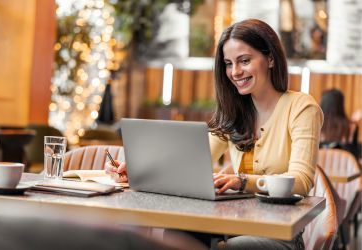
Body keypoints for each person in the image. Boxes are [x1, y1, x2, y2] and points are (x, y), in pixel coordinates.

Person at [106, 19, 323, 250]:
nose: (235, 72)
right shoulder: (235, 112)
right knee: (179, 233)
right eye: (229, 64)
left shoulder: (301, 107)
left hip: (278, 236)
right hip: (230, 227)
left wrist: (242, 182)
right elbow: (189, 161)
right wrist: (139, 170)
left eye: (245, 61)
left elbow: (301, 182)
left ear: (270, 58)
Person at [319, 88, 359, 159]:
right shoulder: (352, 127)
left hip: (320, 167)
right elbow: (355, 156)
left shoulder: (317, 126)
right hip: (344, 168)